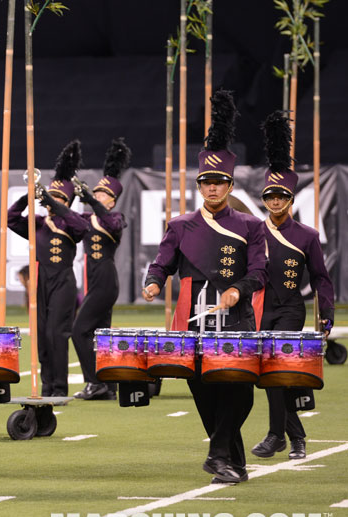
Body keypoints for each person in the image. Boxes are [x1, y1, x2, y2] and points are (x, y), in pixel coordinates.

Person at [142, 90, 267, 484]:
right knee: (204, 392)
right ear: (199, 185)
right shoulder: (180, 225)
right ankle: (233, 464)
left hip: (237, 319)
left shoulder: (250, 226)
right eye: (206, 182)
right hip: (194, 319)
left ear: (230, 185)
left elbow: (260, 271)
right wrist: (152, 282)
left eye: (220, 182)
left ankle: (217, 453)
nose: (212, 188)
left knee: (241, 391)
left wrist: (238, 290)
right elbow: (162, 264)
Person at [250, 110, 334, 461]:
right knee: (267, 375)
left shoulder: (306, 236)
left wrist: (325, 315)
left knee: (278, 374)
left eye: (281, 198)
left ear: (290, 201)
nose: (275, 203)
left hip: (290, 309)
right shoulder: (253, 231)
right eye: (270, 197)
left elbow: (320, 277)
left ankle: (277, 436)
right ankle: (294, 437)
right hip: (259, 308)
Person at [7, 140, 90, 396]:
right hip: (41, 280)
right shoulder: (38, 224)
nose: (50, 203)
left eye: (58, 199)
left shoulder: (71, 224)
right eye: (49, 198)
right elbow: (11, 218)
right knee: (42, 335)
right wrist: (29, 194)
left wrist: (55, 203)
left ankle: (60, 388)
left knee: (57, 333)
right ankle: (46, 387)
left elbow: (81, 228)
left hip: (63, 281)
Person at [73, 139, 131, 401]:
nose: (97, 198)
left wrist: (91, 201)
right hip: (93, 280)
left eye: (101, 195)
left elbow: (111, 223)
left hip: (106, 280)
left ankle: (93, 382)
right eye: (94, 194)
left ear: (112, 200)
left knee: (79, 330)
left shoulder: (115, 218)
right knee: (100, 335)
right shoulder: (86, 219)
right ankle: (108, 386)